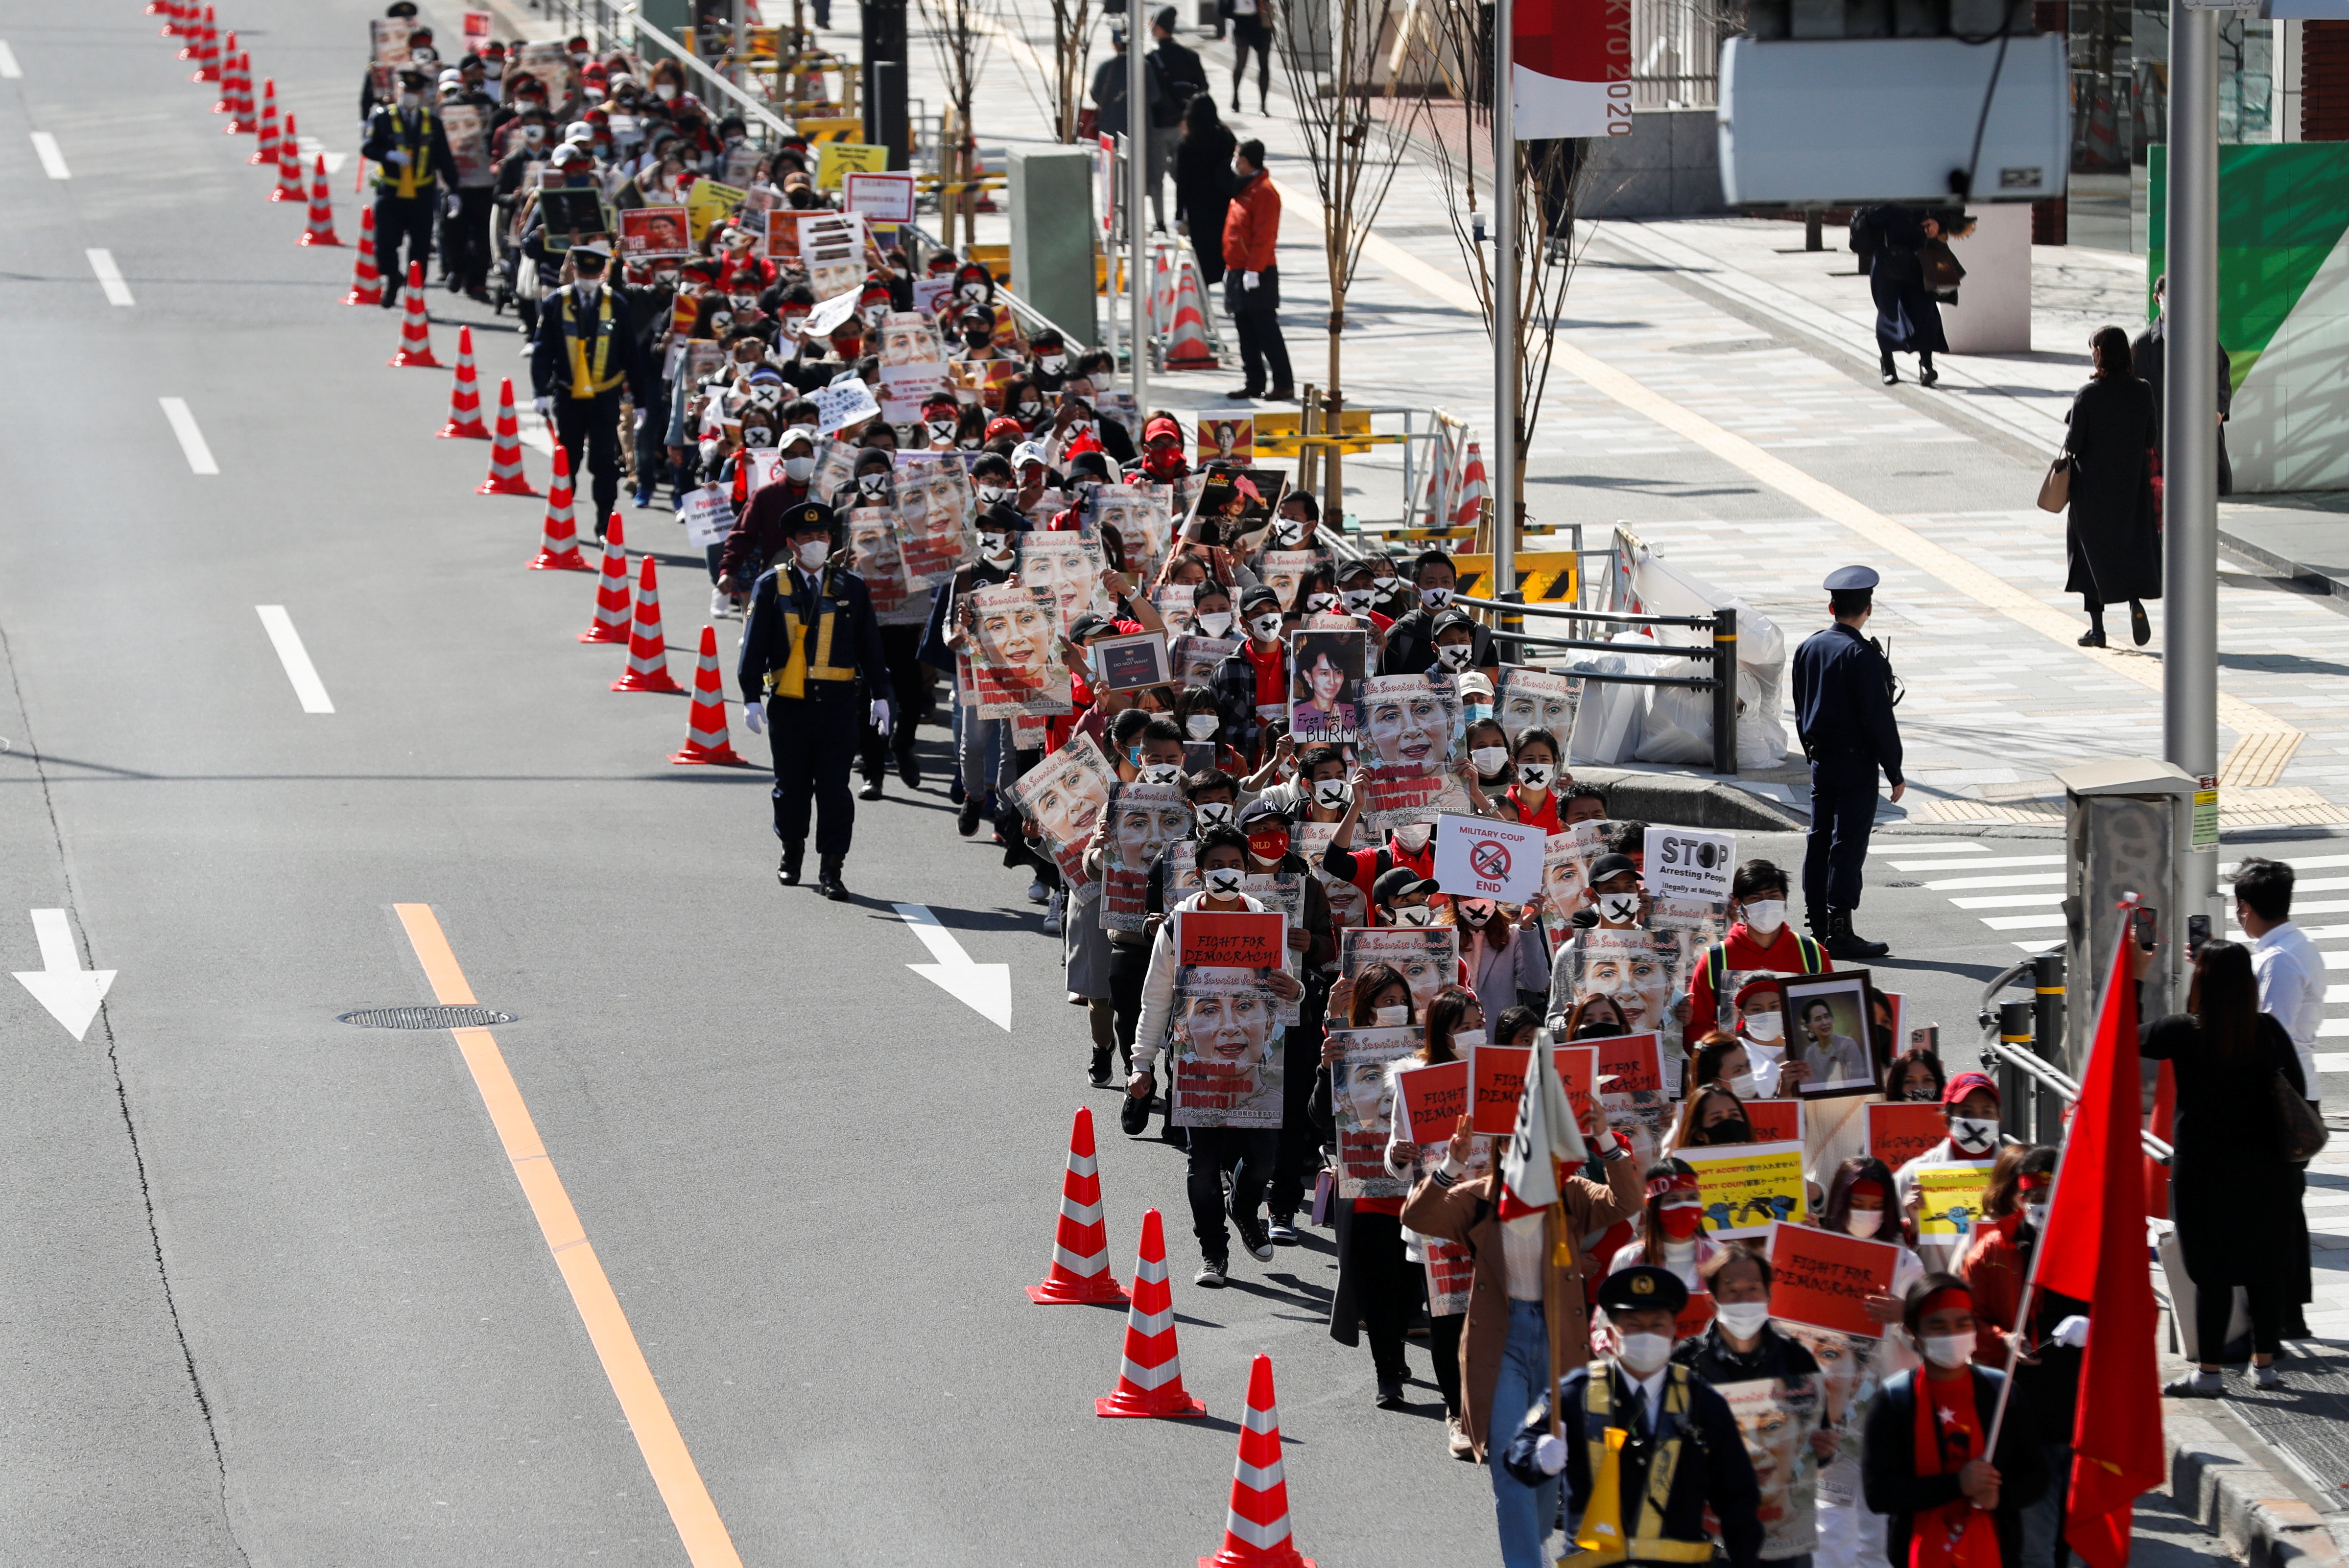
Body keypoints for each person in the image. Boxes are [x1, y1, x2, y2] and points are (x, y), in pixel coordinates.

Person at [1404, 1099, 1644, 1567]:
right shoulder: (1478, 1197)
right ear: (1501, 1148)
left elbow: (1627, 1202)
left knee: (1548, 1466)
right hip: (1501, 1341)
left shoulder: (1569, 1193)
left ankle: (1529, 1543)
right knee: (1512, 1467)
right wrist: (1452, 1162)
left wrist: (1606, 1142)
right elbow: (1417, 1217)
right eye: (1517, 1142)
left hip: (1561, 1339)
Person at [1124, 823, 1305, 1286]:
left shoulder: (1265, 920)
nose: (1227, 872)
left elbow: (1284, 993)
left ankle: (1243, 1207)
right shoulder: (1176, 926)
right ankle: (1213, 1251)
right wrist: (1141, 1064)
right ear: (1199, 873)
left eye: (1235, 865)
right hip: (1195, 1065)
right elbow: (1156, 998)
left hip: (1257, 1067)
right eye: (1216, 866)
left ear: (1248, 870)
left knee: (1262, 1161)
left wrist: (1297, 991)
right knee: (1201, 1164)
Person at [1501, 1265, 1767, 1568]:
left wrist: (1746, 1558)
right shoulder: (1575, 1395)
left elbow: (1737, 1495)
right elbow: (1517, 1452)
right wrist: (1539, 1457)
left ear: (1673, 1334)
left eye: (1658, 1325)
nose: (1647, 1335)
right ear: (1613, 1335)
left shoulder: (1703, 1402)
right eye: (1634, 1325)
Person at [2144, 939, 2310, 1395]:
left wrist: (2139, 974)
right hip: (2268, 1172)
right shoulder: (2269, 1032)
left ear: (2201, 980)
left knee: (2211, 1275)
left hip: (2205, 1173)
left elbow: (2128, 1036)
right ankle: (2265, 1366)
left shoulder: (2183, 1031)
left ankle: (2210, 1374)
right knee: (2265, 1268)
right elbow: (2297, 1091)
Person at [736, 501, 892, 901]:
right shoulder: (771, 585)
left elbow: (869, 647)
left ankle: (832, 868)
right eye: (808, 537)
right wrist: (750, 695)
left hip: (839, 707)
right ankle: (792, 851)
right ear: (792, 543)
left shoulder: (851, 587)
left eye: (823, 536)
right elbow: (753, 644)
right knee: (790, 788)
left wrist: (881, 694)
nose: (817, 543)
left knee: (834, 790)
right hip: (790, 706)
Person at [1860, 1277, 2050, 1568]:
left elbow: (2037, 1477)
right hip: (1918, 1554)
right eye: (1939, 1326)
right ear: (1913, 1332)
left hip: (1996, 1553)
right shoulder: (1894, 1400)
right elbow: (1879, 1495)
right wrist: (1957, 1485)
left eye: (1963, 1323)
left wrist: (2000, 1497)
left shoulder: (2003, 1394)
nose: (1954, 1334)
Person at [1958, 1147, 2087, 1568]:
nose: (2040, 1207)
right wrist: (2003, 1338)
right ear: (2018, 1197)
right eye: (2032, 1198)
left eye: (2050, 1197)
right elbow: (1963, 1319)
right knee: (2034, 1546)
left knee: (2086, 1542)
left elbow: (2136, 1317)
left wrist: (2098, 1329)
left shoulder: (2096, 1248)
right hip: (2023, 1420)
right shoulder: (1992, 1251)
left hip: (2087, 1419)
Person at [1677, 1248, 1836, 1567]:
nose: (1743, 1298)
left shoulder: (1796, 1359)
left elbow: (1819, 1433)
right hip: (1709, 1538)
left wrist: (1823, 1448)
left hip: (1784, 1546)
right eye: (1732, 1290)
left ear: (1768, 1293)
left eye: (1753, 1289)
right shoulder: (1686, 1361)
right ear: (1712, 1299)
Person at [1792, 566, 1902, 960]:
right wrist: (1894, 769)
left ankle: (1816, 922)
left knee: (1819, 836)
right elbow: (1878, 719)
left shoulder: (1809, 647)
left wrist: (1811, 749)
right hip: (1856, 762)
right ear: (1868, 609)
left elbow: (1800, 703)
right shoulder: (1862, 655)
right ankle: (1840, 927)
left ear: (1831, 606)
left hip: (1822, 759)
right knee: (1848, 842)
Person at [530, 243, 652, 530]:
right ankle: (561, 525)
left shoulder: (616, 304)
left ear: (602, 273)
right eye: (583, 272)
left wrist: (641, 400)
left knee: (603, 464)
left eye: (594, 273)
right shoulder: (556, 303)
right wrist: (540, 392)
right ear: (574, 270)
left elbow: (630, 355)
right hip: (568, 393)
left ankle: (603, 527)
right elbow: (543, 350)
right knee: (566, 461)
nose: (588, 278)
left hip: (604, 396)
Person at [2061, 326, 2161, 649]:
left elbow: (2073, 443)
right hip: (2132, 487)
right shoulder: (2142, 390)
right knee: (2129, 546)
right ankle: (2133, 602)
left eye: (2095, 349)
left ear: (2102, 354)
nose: (2092, 354)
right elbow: (2150, 438)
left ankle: (2097, 628)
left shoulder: (2087, 395)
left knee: (2090, 555)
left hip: (2091, 491)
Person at [1686, 860, 1830, 1040]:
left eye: (1774, 896)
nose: (1766, 904)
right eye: (1756, 898)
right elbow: (1698, 1026)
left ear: (1785, 899)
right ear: (1739, 904)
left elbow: (1827, 1013)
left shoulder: (1813, 954)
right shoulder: (1716, 958)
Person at [363, 67, 461, 307]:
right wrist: (389, 155)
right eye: (406, 90)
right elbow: (368, 147)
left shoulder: (432, 122)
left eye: (415, 91)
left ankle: (414, 296)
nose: (410, 95)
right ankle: (393, 278)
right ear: (398, 90)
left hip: (422, 194)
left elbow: (444, 159)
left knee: (419, 251)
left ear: (422, 95)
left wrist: (454, 190)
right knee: (384, 246)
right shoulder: (382, 117)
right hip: (391, 193)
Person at [1892, 1071, 2004, 1274]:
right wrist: (1913, 1229)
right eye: (1967, 1113)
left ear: (1999, 1118)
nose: (1977, 1120)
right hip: (1938, 1297)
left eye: (1987, 1112)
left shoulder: (2016, 1175)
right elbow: (1889, 1250)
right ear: (1947, 1120)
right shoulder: (1913, 1176)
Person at [2133, 272, 2233, 497]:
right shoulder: (2144, 344)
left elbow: (2222, 374)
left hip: (2196, 428)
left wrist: (2219, 410)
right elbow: (2133, 389)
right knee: (2162, 494)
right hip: (2159, 432)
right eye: (2168, 296)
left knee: (2197, 491)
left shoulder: (2202, 337)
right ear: (2157, 298)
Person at [2231, 857, 2322, 1104]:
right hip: (2294, 1088)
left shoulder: (2279, 959)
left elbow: (2271, 1036)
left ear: (2245, 909)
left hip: (2283, 1095)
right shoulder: (2300, 944)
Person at [1221, 139, 1293, 402]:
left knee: (1266, 330)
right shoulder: (1245, 189)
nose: (1234, 161)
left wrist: (1254, 270)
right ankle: (1254, 380)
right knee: (1245, 330)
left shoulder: (1264, 192)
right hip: (1239, 269)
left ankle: (1284, 382)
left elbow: (1264, 236)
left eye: (1237, 157)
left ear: (1246, 160)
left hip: (1257, 272)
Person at [1851, 205, 1953, 387]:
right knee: (1889, 313)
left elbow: (1949, 211)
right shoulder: (1881, 188)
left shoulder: (1925, 187)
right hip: (1887, 259)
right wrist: (1894, 204)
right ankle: (1888, 366)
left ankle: (1926, 365)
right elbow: (1870, 217)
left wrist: (1938, 223)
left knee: (1925, 311)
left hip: (1921, 256)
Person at [1608, 1159, 1720, 1289]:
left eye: (1692, 1198)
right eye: (1673, 1200)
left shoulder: (1721, 1256)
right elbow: (1610, 1308)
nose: (1684, 1207)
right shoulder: (1628, 1258)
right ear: (1652, 1207)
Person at [1174, 92, 1237, 286]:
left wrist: (1178, 214)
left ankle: (1204, 290)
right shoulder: (1226, 138)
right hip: (1224, 201)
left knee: (1203, 251)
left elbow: (1182, 182)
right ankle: (1227, 284)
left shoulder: (1188, 145)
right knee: (1224, 246)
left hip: (1198, 205)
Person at [1220, 0, 1273, 115]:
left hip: (1261, 22)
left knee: (1264, 64)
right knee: (1241, 63)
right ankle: (1235, 98)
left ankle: (1263, 106)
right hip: (1241, 22)